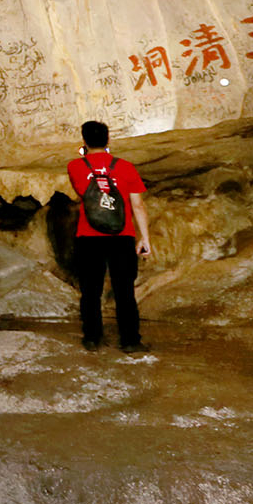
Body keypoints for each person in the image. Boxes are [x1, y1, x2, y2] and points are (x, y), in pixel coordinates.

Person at [65, 120, 153, 353]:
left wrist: (85, 154)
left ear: (84, 140)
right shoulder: (125, 167)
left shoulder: (75, 166)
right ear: (108, 139)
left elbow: (83, 193)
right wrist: (145, 238)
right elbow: (138, 205)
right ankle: (130, 341)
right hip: (121, 236)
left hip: (89, 236)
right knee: (124, 289)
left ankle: (93, 338)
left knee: (90, 290)